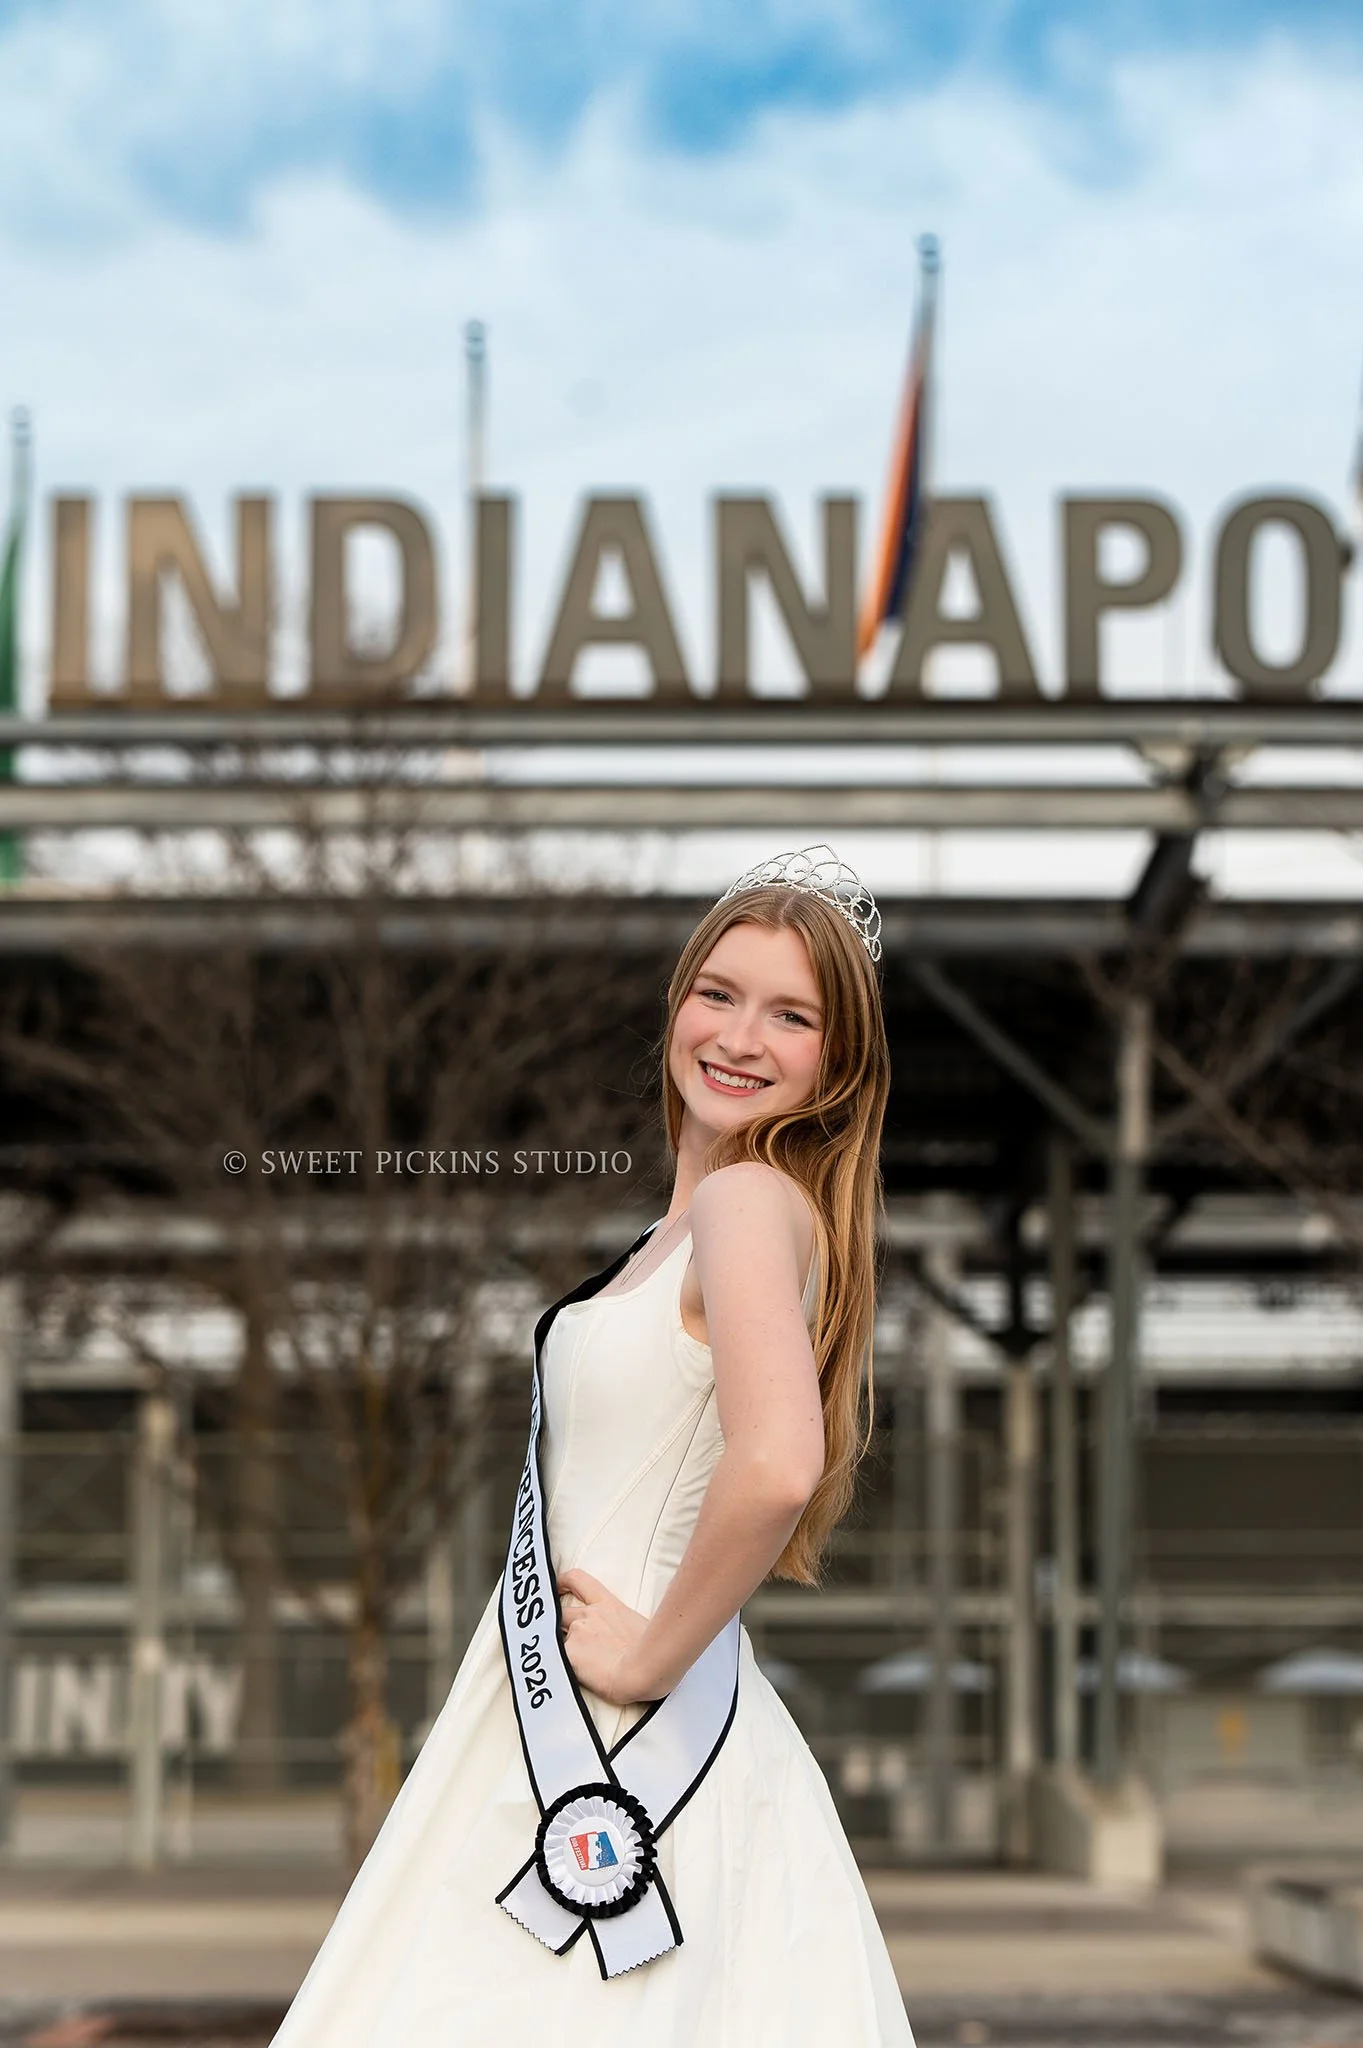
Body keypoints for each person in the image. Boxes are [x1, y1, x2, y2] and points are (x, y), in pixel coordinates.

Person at [271, 846, 915, 2046]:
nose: (737, 1033)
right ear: (675, 1002)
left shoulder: (743, 1204)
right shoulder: (689, 1227)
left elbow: (777, 1461)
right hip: (574, 1713)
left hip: (622, 1739)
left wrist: (647, 1657)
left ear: (838, 1063)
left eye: (791, 1014)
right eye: (717, 991)